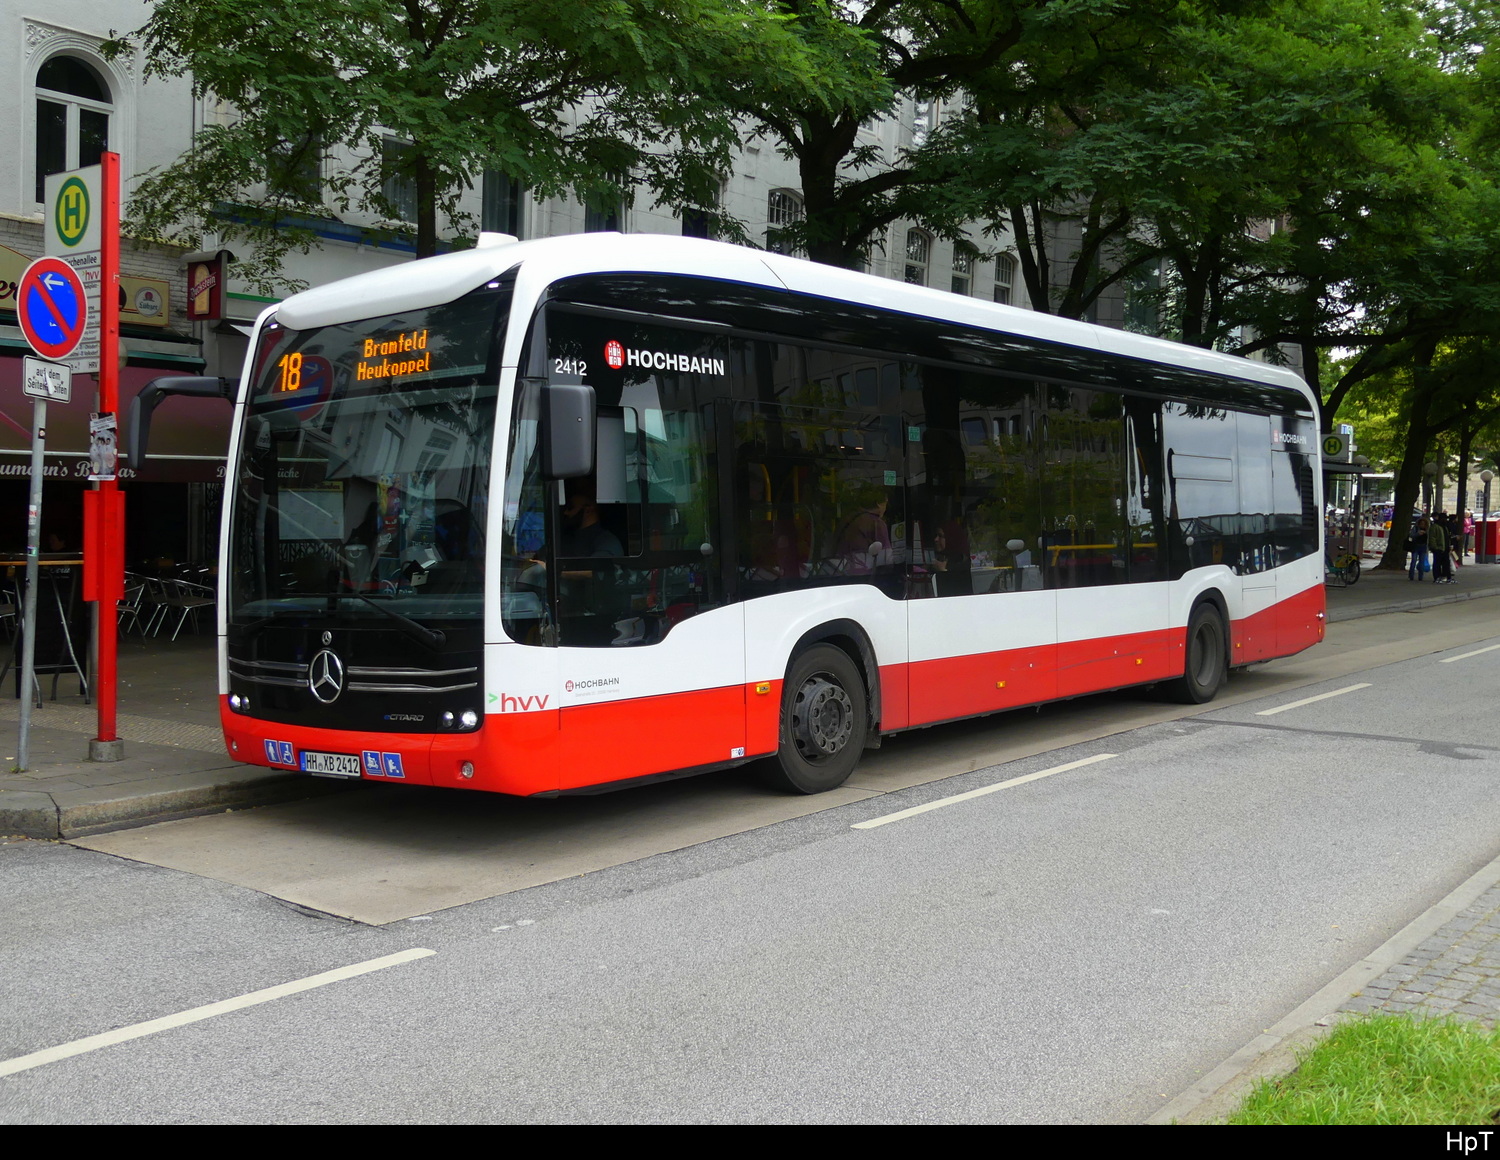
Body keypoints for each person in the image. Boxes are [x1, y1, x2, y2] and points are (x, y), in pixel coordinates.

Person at [559, 484, 623, 558]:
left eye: (570, 507)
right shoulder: (565, 539)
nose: (566, 512)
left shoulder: (607, 542)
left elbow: (596, 567)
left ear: (588, 510)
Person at [1408, 516, 1430, 581]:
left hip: (1423, 547)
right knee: (1413, 561)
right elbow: (1411, 535)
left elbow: (1429, 538)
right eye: (1421, 524)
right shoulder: (1415, 528)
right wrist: (1418, 534)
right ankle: (1411, 576)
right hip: (1415, 546)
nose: (1422, 525)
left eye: (1423, 524)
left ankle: (1420, 576)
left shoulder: (1427, 530)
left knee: (1421, 562)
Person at [1429, 515, 1451, 583]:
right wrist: (1435, 547)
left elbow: (1447, 537)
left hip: (1445, 548)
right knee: (1437, 564)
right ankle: (1437, 577)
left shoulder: (1445, 527)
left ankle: (1446, 576)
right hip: (1439, 548)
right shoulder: (1435, 526)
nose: (1445, 520)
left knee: (1446, 563)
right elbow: (1432, 537)